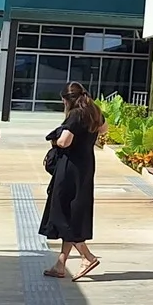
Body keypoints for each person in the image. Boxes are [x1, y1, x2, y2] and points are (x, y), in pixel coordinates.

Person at [40, 84, 103, 280]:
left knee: (61, 213)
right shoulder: (93, 111)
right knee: (73, 210)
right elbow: (104, 128)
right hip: (85, 166)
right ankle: (60, 265)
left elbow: (64, 142)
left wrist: (56, 139)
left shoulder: (76, 114)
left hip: (70, 168)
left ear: (68, 99)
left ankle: (87, 256)